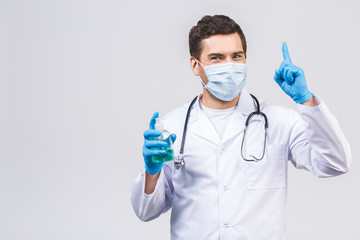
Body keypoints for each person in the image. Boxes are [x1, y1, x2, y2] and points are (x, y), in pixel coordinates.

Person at [130, 15, 351, 239]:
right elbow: (146, 212)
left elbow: (335, 164)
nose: (229, 66)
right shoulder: (173, 126)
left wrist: (307, 100)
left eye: (236, 56)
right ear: (195, 65)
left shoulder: (279, 120)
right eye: (217, 58)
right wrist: (152, 172)